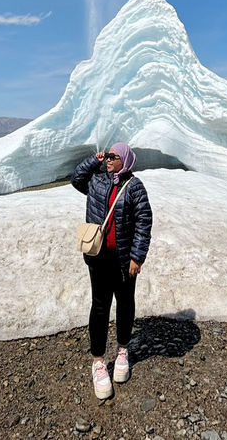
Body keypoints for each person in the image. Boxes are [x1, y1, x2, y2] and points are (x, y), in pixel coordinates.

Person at [71, 142, 153, 400]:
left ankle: (122, 351)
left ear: (125, 160)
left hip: (124, 259)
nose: (108, 160)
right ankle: (97, 361)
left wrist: (137, 257)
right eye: (107, 156)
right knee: (99, 306)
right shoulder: (97, 180)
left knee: (125, 303)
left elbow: (144, 222)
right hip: (98, 257)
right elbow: (76, 179)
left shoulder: (135, 187)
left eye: (113, 157)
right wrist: (93, 161)